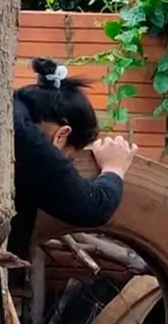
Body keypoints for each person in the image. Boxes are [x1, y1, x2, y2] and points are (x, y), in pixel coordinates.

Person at [10, 57, 138, 263]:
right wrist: (114, 167)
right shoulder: (32, 143)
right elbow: (92, 208)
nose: (63, 163)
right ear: (61, 135)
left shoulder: (13, 110)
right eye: (68, 158)